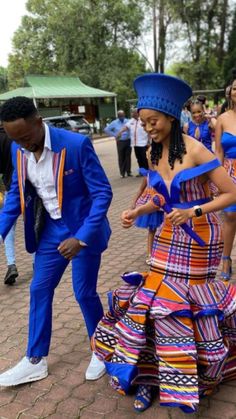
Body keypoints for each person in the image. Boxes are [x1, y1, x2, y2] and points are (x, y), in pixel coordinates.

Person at [93, 73, 236, 414]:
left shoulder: (198, 150)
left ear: (171, 117)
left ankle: (194, 376)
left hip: (199, 236)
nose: (149, 128)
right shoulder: (155, 153)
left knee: (186, 310)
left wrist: (194, 210)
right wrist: (138, 208)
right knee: (153, 306)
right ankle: (149, 377)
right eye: (143, 123)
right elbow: (159, 196)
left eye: (153, 122)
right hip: (168, 235)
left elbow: (232, 192)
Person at [0, 96, 112, 386]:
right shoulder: (18, 148)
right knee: (38, 289)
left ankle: (101, 349)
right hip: (50, 231)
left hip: (82, 229)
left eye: (26, 137)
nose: (24, 145)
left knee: (83, 292)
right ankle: (35, 360)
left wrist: (82, 238)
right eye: (17, 140)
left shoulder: (76, 145)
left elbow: (102, 193)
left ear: (39, 122)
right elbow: (15, 194)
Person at [215, 78, 236, 280]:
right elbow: (219, 151)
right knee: (229, 217)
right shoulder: (222, 119)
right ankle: (226, 259)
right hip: (230, 171)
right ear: (230, 92)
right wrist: (216, 177)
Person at [0, 124, 18, 285]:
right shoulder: (17, 134)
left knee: (8, 228)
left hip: (9, 187)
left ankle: (11, 264)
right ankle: (35, 261)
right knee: (32, 225)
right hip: (28, 188)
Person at [117, 108, 149, 175]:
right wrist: (120, 132)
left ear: (137, 113)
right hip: (135, 144)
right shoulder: (131, 121)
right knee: (138, 158)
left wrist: (149, 141)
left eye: (133, 113)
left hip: (143, 143)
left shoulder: (143, 120)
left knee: (144, 158)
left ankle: (147, 171)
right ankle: (141, 171)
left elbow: (148, 131)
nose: (132, 114)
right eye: (132, 113)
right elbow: (126, 127)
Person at [104, 110, 132, 178]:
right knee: (121, 157)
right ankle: (122, 173)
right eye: (120, 116)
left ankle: (128, 172)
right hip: (120, 141)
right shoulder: (114, 122)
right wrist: (115, 135)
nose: (121, 117)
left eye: (122, 116)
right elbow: (106, 129)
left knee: (128, 156)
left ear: (124, 115)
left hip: (128, 140)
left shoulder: (128, 121)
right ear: (118, 116)